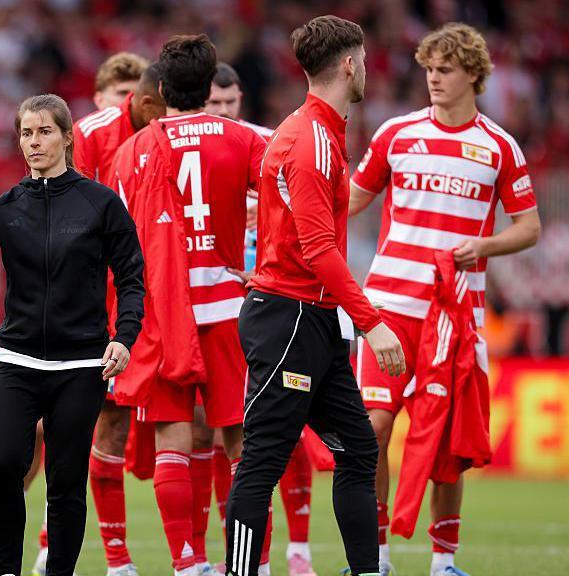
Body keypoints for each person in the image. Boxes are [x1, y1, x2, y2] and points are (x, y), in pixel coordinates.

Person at [0, 94, 145, 576]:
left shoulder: (101, 203)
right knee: (3, 463)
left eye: (44, 132)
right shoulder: (7, 206)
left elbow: (131, 277)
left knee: (66, 482)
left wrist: (124, 337)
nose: (34, 142)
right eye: (26, 133)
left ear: (67, 137)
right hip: (16, 361)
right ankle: (6, 570)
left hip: (81, 365)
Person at [348, 23, 540, 576]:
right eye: (429, 68)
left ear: (473, 76)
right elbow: (352, 200)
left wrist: (485, 244)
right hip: (387, 308)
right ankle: (376, 559)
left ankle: (442, 563)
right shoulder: (396, 134)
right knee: (374, 429)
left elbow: (529, 227)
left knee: (449, 448)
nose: (434, 78)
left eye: (446, 69)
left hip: (455, 315)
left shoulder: (499, 146)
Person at [224, 15, 406, 576]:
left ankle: (366, 570)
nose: (369, 70)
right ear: (349, 64)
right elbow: (319, 248)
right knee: (262, 463)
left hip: (312, 317)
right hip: (289, 317)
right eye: (367, 60)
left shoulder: (317, 131)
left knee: (357, 447)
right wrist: (373, 323)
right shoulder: (313, 140)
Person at [112, 35, 266, 576]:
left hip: (164, 312)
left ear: (159, 88)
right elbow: (283, 201)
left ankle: (187, 562)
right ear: (209, 85)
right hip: (228, 305)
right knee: (244, 442)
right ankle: (256, 565)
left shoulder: (134, 150)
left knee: (172, 436)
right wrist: (262, 265)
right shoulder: (244, 139)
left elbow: (120, 240)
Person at [205, 62, 320, 576]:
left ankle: (298, 549)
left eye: (230, 103)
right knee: (221, 432)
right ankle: (236, 552)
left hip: (273, 301)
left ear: (240, 100)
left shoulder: (267, 144)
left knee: (287, 425)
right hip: (217, 306)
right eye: (214, 104)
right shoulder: (196, 150)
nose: (224, 112)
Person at [68, 61, 165, 576]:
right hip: (103, 303)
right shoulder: (92, 135)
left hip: (164, 297)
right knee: (98, 422)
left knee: (195, 425)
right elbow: (70, 215)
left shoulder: (174, 132)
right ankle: (114, 559)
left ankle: (194, 559)